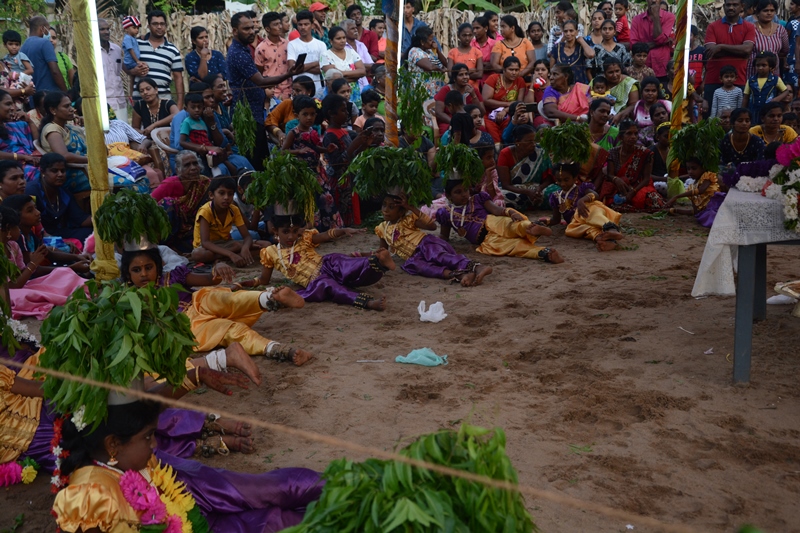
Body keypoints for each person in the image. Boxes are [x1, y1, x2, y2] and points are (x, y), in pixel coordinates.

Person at [51, 397, 323, 533]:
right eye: (147, 437)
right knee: (271, 520)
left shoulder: (131, 460)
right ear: (113, 445)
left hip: (190, 500)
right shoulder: (90, 495)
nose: (155, 444)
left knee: (269, 491)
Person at [238, 209, 391, 309]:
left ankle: (378, 261)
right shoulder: (270, 252)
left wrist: (343, 230)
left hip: (326, 264)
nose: (291, 236)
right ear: (275, 231)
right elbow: (264, 279)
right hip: (315, 280)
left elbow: (325, 236)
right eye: (286, 232)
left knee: (341, 261)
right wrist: (246, 283)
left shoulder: (304, 238)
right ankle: (368, 303)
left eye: (295, 231)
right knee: (331, 286)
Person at [228, 12, 302, 170]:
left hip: (254, 110)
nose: (251, 31)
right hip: (248, 115)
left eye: (252, 28)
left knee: (261, 157)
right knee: (256, 161)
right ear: (235, 31)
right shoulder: (238, 53)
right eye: (246, 28)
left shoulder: (244, 48)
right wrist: (288, 74)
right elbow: (260, 81)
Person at [375, 190, 492, 286]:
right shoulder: (381, 228)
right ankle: (460, 275)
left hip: (425, 244)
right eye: (384, 205)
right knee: (424, 268)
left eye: (391, 207)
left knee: (441, 257)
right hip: (414, 257)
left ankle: (478, 267)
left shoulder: (408, 219)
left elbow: (432, 226)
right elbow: (383, 252)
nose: (385, 210)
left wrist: (411, 208)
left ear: (401, 212)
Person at [437, 177, 564, 264]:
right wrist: (437, 244)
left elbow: (496, 210)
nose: (464, 194)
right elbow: (444, 235)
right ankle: (545, 253)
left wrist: (510, 212)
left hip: (492, 222)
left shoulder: (477, 198)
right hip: (487, 240)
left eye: (465, 190)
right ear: (448, 196)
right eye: (458, 192)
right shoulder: (446, 213)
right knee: (512, 247)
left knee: (514, 225)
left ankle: (532, 228)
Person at [0, 205, 88, 319]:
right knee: (25, 297)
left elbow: (21, 274)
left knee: (63, 274)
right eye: (17, 227)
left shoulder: (13, 246)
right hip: (9, 292)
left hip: (22, 285)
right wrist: (33, 264)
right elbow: (12, 286)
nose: (19, 231)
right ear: (8, 229)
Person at [548, 161, 625, 252]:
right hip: (578, 222)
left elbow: (595, 194)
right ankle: (605, 240)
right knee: (571, 230)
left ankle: (611, 228)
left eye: (566, 180)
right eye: (559, 180)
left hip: (590, 213)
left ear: (575, 178)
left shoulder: (582, 188)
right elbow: (556, 219)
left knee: (591, 210)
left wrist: (582, 200)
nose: (562, 184)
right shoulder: (555, 196)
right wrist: (544, 222)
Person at [322, 94, 373, 226]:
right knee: (344, 210)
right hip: (339, 181)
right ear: (331, 114)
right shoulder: (330, 135)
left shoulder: (343, 131)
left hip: (349, 178)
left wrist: (364, 145)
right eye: (343, 111)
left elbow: (353, 156)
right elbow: (337, 162)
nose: (347, 114)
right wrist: (355, 144)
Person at [24, 153, 92, 243]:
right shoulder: (32, 191)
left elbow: (81, 219)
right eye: (54, 171)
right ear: (43, 171)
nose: (60, 174)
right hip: (39, 236)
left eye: (63, 171)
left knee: (91, 233)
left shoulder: (64, 193)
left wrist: (105, 218)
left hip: (57, 233)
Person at [703, 0, 756, 116]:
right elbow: (710, 51)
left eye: (735, 5)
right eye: (728, 5)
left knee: (737, 119)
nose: (731, 8)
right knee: (711, 120)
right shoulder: (713, 26)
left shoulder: (749, 27)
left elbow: (747, 50)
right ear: (724, 6)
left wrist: (720, 46)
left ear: (742, 6)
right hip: (714, 79)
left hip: (738, 79)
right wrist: (738, 51)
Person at [601, 119, 665, 212]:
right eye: (629, 133)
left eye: (635, 133)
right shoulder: (613, 152)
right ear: (620, 137)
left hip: (638, 186)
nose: (633, 137)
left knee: (654, 201)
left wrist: (633, 192)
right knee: (611, 199)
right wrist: (616, 179)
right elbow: (610, 174)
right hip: (620, 187)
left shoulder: (645, 153)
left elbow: (646, 179)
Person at [191, 176, 258, 265]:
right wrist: (231, 254)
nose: (226, 197)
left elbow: (247, 236)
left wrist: (245, 248)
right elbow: (205, 243)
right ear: (211, 195)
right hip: (208, 247)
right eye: (221, 193)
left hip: (226, 243)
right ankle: (231, 256)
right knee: (197, 254)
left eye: (230, 194)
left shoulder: (234, 209)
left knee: (265, 244)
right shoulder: (205, 211)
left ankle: (226, 256)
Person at [151, 151, 210, 251]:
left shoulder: (204, 183)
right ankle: (164, 245)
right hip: (169, 231)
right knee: (168, 203)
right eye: (187, 165)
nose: (193, 168)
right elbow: (149, 201)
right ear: (178, 170)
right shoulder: (170, 184)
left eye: (195, 163)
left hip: (190, 231)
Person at [126, 10, 184, 111]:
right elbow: (125, 64)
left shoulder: (173, 50)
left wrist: (179, 106)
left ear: (166, 26)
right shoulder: (137, 44)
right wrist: (133, 71)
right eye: (155, 24)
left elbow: (178, 78)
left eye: (162, 24)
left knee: (164, 127)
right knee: (139, 127)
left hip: (163, 102)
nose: (159, 27)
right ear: (148, 26)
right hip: (140, 101)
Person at [37, 91, 90, 195]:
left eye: (71, 105)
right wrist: (92, 160)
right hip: (71, 173)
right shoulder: (52, 130)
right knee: (117, 178)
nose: (72, 109)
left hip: (85, 168)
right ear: (53, 110)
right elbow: (64, 156)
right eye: (66, 106)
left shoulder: (70, 128)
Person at [496, 124, 556, 211]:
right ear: (517, 142)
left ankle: (533, 202)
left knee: (556, 193)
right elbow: (506, 185)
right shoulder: (505, 154)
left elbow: (549, 179)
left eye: (535, 141)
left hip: (537, 189)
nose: (534, 144)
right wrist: (527, 192)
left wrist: (539, 189)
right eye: (529, 141)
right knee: (502, 197)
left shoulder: (540, 151)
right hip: (516, 190)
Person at [665, 157, 725, 227]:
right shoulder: (691, 188)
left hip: (718, 205)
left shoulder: (707, 176)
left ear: (703, 168)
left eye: (694, 168)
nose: (690, 171)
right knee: (708, 215)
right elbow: (695, 212)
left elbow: (700, 190)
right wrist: (675, 210)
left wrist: (677, 196)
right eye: (688, 169)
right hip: (709, 212)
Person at [630, 0, 675, 85]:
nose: (654, 0)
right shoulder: (637, 19)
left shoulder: (669, 16)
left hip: (662, 67)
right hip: (641, 68)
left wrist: (656, 17)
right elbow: (634, 45)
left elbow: (659, 38)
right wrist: (658, 43)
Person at [320, 26, 366, 108]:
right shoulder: (326, 55)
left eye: (344, 38)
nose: (342, 41)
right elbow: (333, 79)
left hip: (354, 93)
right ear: (331, 41)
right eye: (338, 38)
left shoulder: (351, 52)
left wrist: (340, 73)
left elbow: (362, 71)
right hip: (336, 94)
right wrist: (355, 76)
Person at [482, 56, 526, 142]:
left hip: (510, 113)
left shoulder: (520, 81)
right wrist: (507, 104)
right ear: (504, 69)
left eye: (516, 70)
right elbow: (486, 100)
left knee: (508, 132)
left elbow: (518, 103)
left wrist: (505, 110)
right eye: (511, 69)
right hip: (489, 114)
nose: (514, 73)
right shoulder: (493, 78)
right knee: (493, 134)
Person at [20, 16, 67, 93]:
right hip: (49, 94)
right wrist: (65, 92)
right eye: (47, 29)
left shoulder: (23, 46)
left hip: (32, 95)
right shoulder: (45, 43)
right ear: (42, 28)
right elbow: (55, 71)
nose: (48, 33)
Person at [0, 90, 40, 181]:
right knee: (37, 174)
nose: (12, 108)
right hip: (8, 168)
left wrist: (30, 122)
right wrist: (22, 157)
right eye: (8, 104)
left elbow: (38, 144)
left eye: (13, 104)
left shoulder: (17, 125)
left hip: (29, 161)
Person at [434, 64, 485, 133]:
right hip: (449, 121)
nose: (465, 77)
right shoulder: (446, 90)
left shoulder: (473, 90)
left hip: (470, 122)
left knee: (482, 130)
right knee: (449, 131)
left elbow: (482, 112)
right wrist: (455, 122)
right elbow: (439, 113)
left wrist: (473, 96)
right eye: (461, 75)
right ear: (454, 78)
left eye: (466, 74)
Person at [288, 10, 328, 98]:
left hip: (318, 92)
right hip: (298, 92)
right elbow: (292, 68)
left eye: (306, 24)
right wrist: (316, 63)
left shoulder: (321, 45)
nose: (303, 27)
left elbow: (322, 69)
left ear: (312, 25)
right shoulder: (292, 44)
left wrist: (301, 67)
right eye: (300, 24)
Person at [265, 75, 316, 143]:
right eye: (293, 90)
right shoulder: (288, 104)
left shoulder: (316, 105)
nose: (294, 93)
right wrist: (279, 133)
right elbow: (270, 121)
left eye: (298, 90)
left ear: (309, 91)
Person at [743, 52, 791, 123]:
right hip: (753, 110)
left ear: (771, 67)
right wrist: (743, 111)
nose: (760, 68)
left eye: (764, 65)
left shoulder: (775, 79)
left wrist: (776, 99)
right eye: (758, 65)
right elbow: (746, 97)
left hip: (769, 111)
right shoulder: (751, 80)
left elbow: (786, 91)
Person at [746, 0, 788, 79]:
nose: (769, 13)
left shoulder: (780, 29)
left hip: (773, 72)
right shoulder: (750, 28)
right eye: (765, 11)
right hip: (754, 72)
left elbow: (785, 50)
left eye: (772, 11)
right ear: (758, 13)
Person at [255, 12, 292, 102]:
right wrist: (265, 90)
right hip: (272, 93)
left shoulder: (288, 44)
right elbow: (259, 72)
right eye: (276, 24)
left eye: (280, 23)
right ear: (268, 29)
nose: (279, 27)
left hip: (289, 91)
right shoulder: (261, 48)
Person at [406, 25, 448, 99]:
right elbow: (430, 67)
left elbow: (445, 63)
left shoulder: (430, 51)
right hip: (423, 92)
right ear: (422, 42)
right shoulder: (415, 51)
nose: (432, 42)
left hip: (436, 91)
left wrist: (438, 50)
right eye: (430, 40)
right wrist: (441, 70)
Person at [98, 19, 128, 122]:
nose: (106, 32)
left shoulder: (117, 49)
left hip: (120, 101)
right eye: (102, 29)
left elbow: (118, 72)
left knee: (123, 134)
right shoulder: (92, 53)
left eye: (108, 29)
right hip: (103, 103)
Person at [549, 20, 594, 85]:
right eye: (565, 31)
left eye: (571, 31)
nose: (568, 34)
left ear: (577, 32)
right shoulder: (557, 47)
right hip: (561, 88)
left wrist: (581, 40)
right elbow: (552, 68)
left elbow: (591, 54)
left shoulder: (580, 47)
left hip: (579, 87)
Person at [633, 77, 672, 145]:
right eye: (647, 90)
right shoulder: (638, 104)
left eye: (653, 91)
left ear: (657, 92)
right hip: (642, 142)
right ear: (642, 91)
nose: (650, 93)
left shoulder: (667, 104)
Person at [601, 57, 639, 122]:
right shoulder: (598, 82)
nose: (615, 75)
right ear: (604, 73)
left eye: (617, 71)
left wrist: (619, 115)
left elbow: (634, 104)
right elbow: (587, 97)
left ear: (621, 70)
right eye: (610, 72)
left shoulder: (629, 84)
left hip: (623, 119)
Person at [448, 23, 484, 90]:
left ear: (473, 35)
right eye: (464, 35)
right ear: (459, 35)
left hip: (473, 89)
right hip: (457, 90)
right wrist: (470, 71)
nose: (467, 38)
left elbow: (479, 74)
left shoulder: (477, 52)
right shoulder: (452, 52)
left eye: (470, 35)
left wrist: (459, 75)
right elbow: (450, 74)